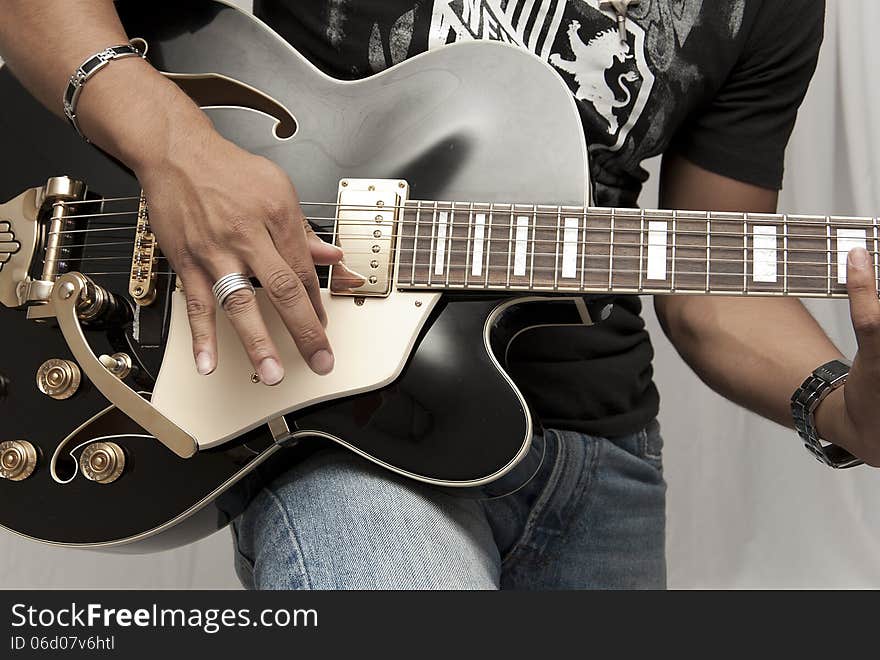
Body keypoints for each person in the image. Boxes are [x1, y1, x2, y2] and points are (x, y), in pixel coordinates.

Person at [2, 0, 877, 589]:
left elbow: (716, 281)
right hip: (347, 428)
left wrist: (841, 407)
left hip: (601, 460)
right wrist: (178, 154)